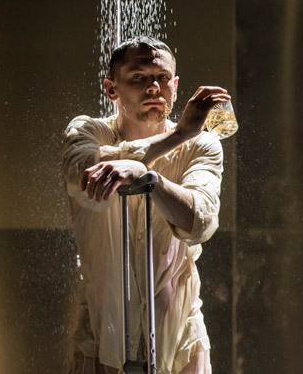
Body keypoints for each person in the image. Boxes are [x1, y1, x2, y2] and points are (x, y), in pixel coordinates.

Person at [62, 36, 231, 374]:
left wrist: (148, 177)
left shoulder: (202, 145)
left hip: (180, 335)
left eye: (162, 77)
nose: (154, 87)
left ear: (176, 84)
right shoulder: (86, 131)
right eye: (139, 78)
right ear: (111, 89)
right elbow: (85, 181)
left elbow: (199, 223)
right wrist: (176, 135)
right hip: (99, 333)